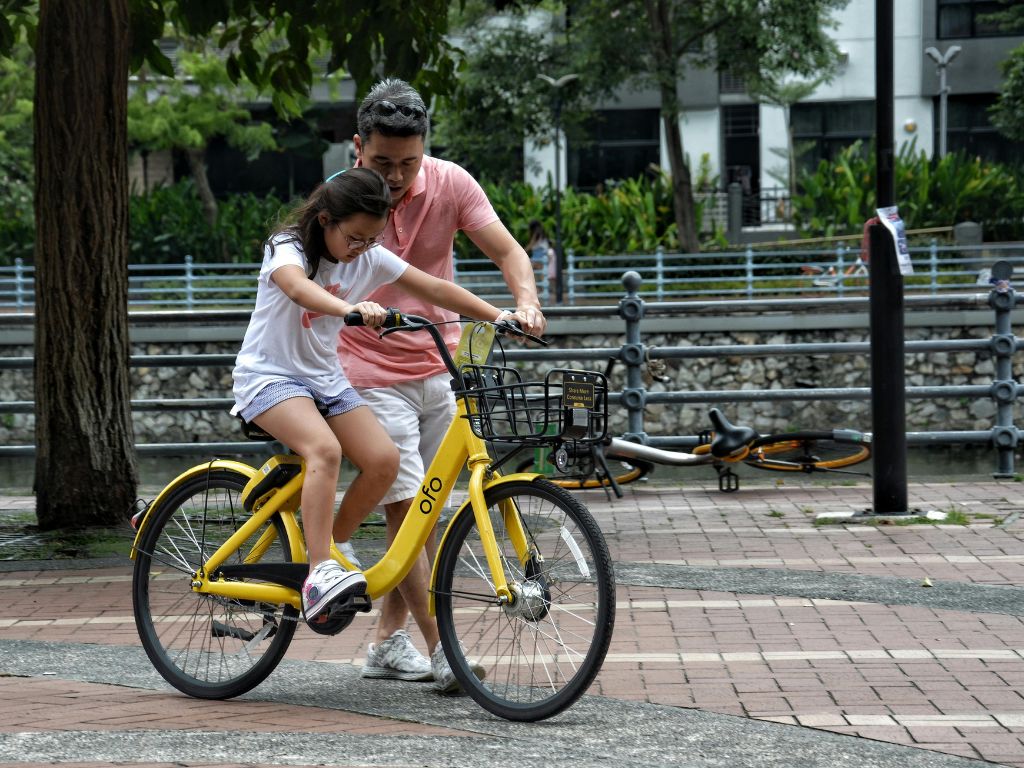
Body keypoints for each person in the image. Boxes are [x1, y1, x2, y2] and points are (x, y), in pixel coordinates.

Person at [332, 78, 547, 692]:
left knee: (424, 518)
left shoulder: (451, 183)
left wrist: (525, 303)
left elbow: (508, 251)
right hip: (365, 370)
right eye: (382, 163)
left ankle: (383, 644)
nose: (396, 177)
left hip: (440, 365)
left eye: (408, 162)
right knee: (407, 510)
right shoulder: (343, 197)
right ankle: (442, 647)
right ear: (357, 148)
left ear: (425, 150)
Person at [230, 166, 509, 634]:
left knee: (385, 461)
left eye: (371, 239)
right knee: (325, 450)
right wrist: (349, 309)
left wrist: (501, 315)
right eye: (355, 238)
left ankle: (336, 543)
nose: (362, 248)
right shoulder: (286, 247)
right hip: (269, 377)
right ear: (325, 220)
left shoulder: (370, 256)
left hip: (324, 379)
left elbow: (436, 288)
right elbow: (299, 288)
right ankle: (320, 572)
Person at [525, 219, 556, 302]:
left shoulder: (537, 234)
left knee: (529, 271)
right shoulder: (541, 234)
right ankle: (541, 290)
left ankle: (540, 290)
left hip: (539, 255)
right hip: (540, 255)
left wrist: (523, 251)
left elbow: (531, 244)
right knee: (538, 273)